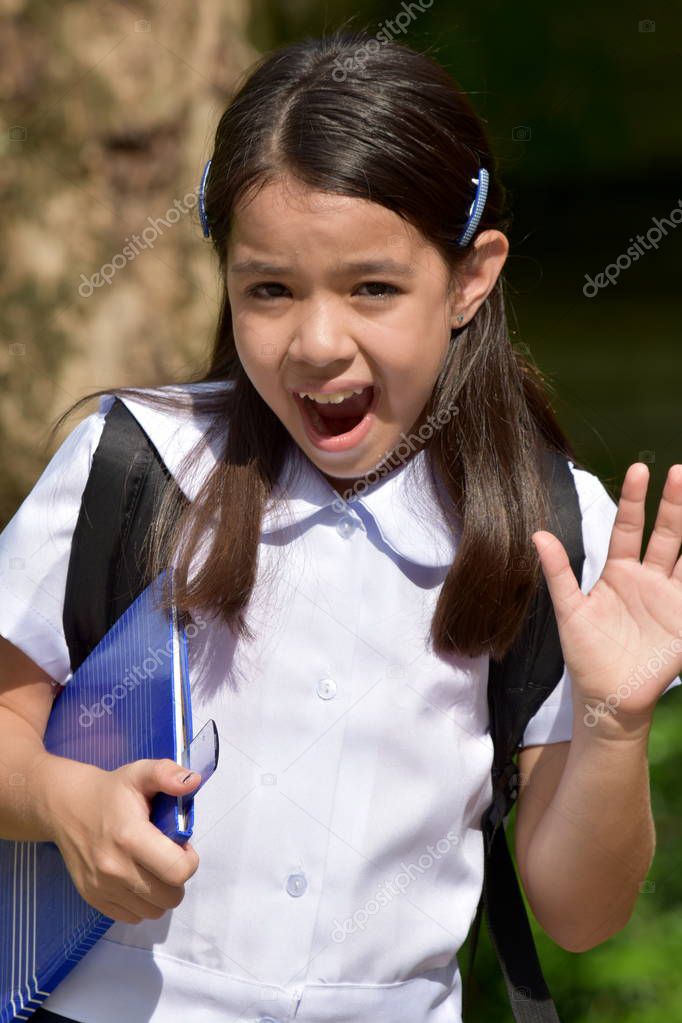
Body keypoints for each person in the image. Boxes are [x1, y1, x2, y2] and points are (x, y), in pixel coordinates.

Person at [1, 27, 681, 1023]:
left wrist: (615, 720)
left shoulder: (543, 525)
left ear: (469, 278)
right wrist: (62, 805)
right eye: (268, 289)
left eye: (373, 288)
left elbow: (580, 916)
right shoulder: (135, 462)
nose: (317, 344)